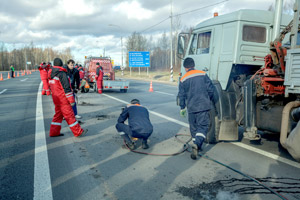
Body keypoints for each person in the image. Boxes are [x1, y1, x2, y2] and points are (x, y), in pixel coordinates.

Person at [177, 57, 216, 160]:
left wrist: (182, 107)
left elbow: (181, 95)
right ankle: (197, 144)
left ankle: (196, 144)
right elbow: (211, 89)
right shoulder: (203, 74)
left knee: (193, 128)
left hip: (191, 107)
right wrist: (208, 99)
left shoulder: (183, 79)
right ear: (193, 65)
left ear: (185, 68)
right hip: (203, 106)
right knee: (203, 127)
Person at [48, 58, 87, 137]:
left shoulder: (51, 73)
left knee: (58, 116)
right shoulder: (62, 74)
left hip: (56, 99)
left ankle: (54, 132)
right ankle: (78, 132)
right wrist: (71, 100)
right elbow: (66, 88)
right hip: (63, 99)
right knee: (70, 116)